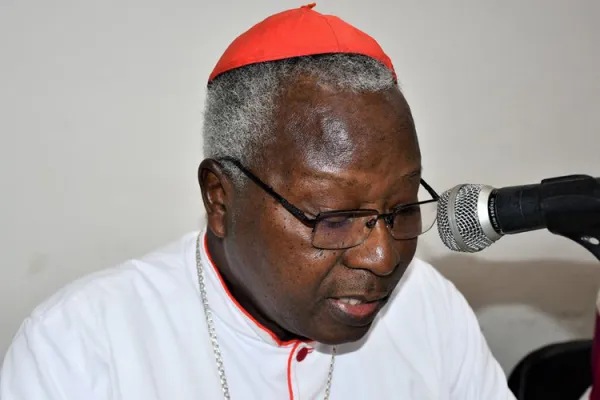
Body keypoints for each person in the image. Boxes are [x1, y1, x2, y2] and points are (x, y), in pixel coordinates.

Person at [1, 4, 516, 399]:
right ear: (220, 199)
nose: (382, 258)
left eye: (402, 209)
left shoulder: (429, 307)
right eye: (335, 219)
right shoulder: (80, 345)